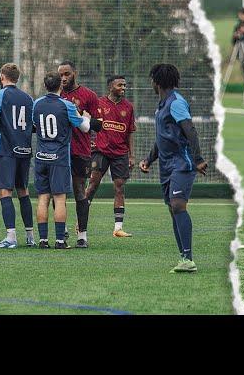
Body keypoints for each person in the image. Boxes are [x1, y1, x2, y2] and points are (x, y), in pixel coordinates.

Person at [139, 64, 208, 273]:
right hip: (165, 166)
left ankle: (188, 259)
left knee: (178, 205)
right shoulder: (161, 105)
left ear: (156, 81)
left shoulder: (176, 103)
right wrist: (149, 159)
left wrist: (198, 159)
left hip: (182, 163)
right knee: (172, 208)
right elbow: (161, 138)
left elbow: (191, 131)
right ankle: (184, 258)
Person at [33, 72, 91, 249]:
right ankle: (59, 241)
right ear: (60, 86)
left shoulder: (36, 104)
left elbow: (34, 126)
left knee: (43, 198)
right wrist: (86, 117)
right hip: (59, 158)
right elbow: (85, 128)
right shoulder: (67, 105)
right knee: (59, 198)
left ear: (45, 86)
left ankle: (43, 241)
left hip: (41, 156)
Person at [0, 63, 35, 249]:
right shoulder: (28, 98)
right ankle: (30, 236)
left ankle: (11, 236)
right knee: (23, 190)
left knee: (5, 191)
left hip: (6, 149)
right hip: (25, 150)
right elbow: (32, 126)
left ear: (2, 77)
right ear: (17, 78)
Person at [85, 75, 136, 239]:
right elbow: (88, 124)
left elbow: (130, 133)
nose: (123, 88)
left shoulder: (128, 107)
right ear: (111, 87)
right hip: (100, 151)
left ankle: (118, 228)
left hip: (120, 153)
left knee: (120, 187)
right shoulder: (99, 103)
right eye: (120, 85)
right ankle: (81, 221)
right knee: (93, 185)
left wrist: (131, 155)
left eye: (125, 85)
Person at [58, 61, 101, 247]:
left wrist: (82, 118)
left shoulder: (89, 95)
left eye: (67, 74)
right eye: (61, 75)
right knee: (58, 192)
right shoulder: (55, 95)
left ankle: (82, 235)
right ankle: (63, 230)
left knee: (79, 192)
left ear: (75, 73)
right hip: (59, 151)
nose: (64, 78)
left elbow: (99, 126)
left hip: (80, 151)